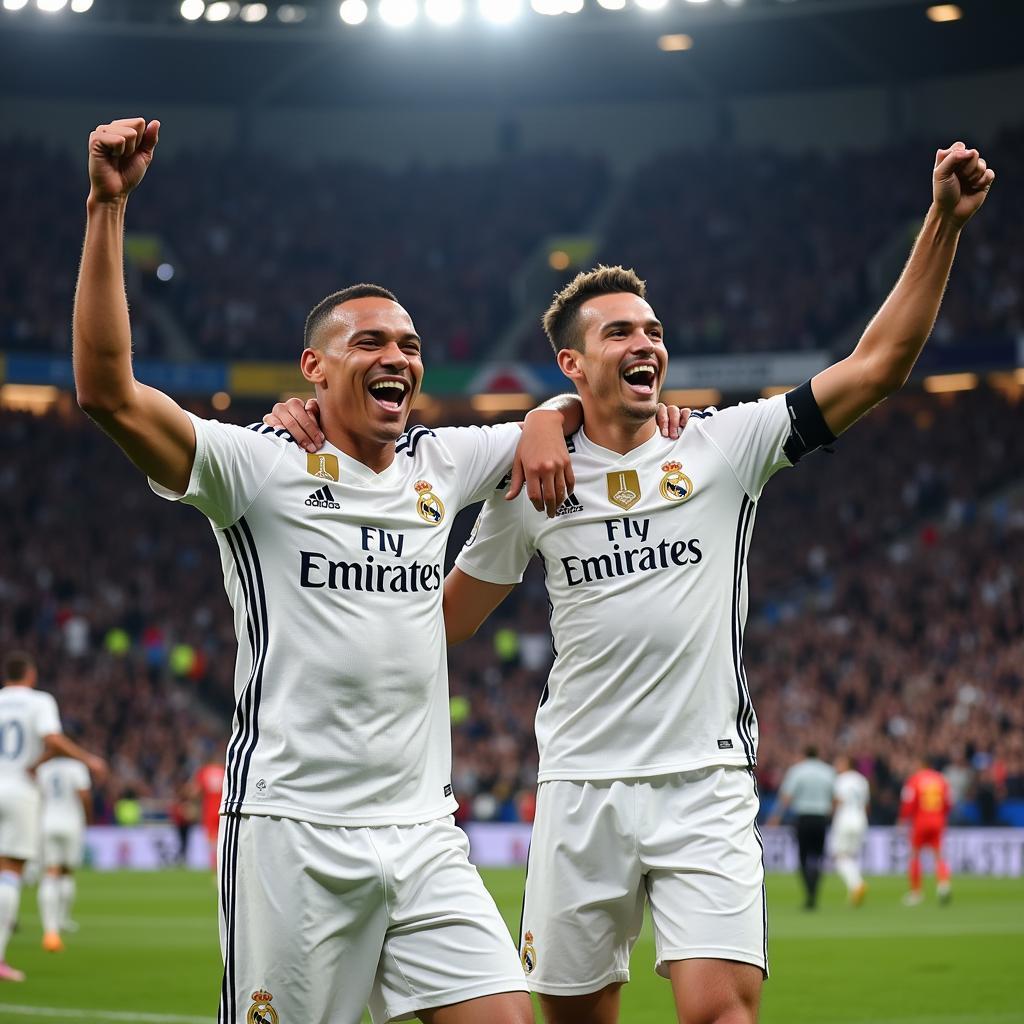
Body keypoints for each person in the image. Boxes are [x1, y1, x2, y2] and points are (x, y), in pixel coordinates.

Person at [265, 141, 993, 1024]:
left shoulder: (724, 446)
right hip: (579, 786)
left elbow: (877, 367)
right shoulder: (537, 480)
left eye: (652, 330)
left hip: (706, 781)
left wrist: (943, 226)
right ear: (573, 365)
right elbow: (443, 618)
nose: (647, 342)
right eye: (621, 332)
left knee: (720, 1012)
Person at [73, 115, 601, 1024]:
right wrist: (106, 208)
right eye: (370, 344)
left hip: (425, 833)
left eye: (408, 345)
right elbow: (107, 391)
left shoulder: (442, 463)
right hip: (292, 833)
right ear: (314, 369)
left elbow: (564, 410)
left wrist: (551, 415)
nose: (397, 357)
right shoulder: (256, 467)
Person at [0, 652, 107, 981]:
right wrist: (89, 759)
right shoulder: (39, 701)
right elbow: (52, 738)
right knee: (11, 870)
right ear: (30, 675)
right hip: (20, 792)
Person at [37, 755, 95, 951]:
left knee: (50, 872)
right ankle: (63, 919)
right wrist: (88, 817)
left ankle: (50, 929)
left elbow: (39, 795)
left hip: (47, 822)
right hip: (71, 823)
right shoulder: (77, 767)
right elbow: (84, 795)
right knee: (67, 872)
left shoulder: (43, 768)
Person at [770, 747, 836, 910]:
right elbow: (835, 797)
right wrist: (831, 815)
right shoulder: (828, 771)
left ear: (804, 755)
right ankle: (815, 891)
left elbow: (787, 796)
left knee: (803, 857)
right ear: (818, 754)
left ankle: (809, 893)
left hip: (803, 818)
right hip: (821, 818)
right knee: (818, 857)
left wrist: (776, 817)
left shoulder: (797, 771)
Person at [899, 756, 953, 906]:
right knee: (939, 855)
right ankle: (943, 886)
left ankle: (916, 893)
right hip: (938, 821)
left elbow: (908, 803)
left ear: (921, 764)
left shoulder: (914, 780)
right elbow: (949, 803)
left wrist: (902, 820)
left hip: (920, 822)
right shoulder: (942, 780)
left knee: (915, 855)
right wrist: (942, 816)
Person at [830, 754, 870, 907]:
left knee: (839, 857)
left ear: (848, 764)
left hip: (844, 820)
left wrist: (832, 812)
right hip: (860, 819)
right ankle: (854, 889)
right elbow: (867, 805)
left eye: (839, 763)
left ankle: (856, 884)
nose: (837, 766)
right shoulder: (862, 780)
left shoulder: (841, 779)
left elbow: (838, 800)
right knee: (850, 856)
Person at [188, 742, 227, 869]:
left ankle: (215, 868)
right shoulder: (224, 771)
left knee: (211, 843)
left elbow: (195, 792)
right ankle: (223, 865)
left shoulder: (204, 772)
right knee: (223, 840)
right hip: (223, 809)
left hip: (210, 811)